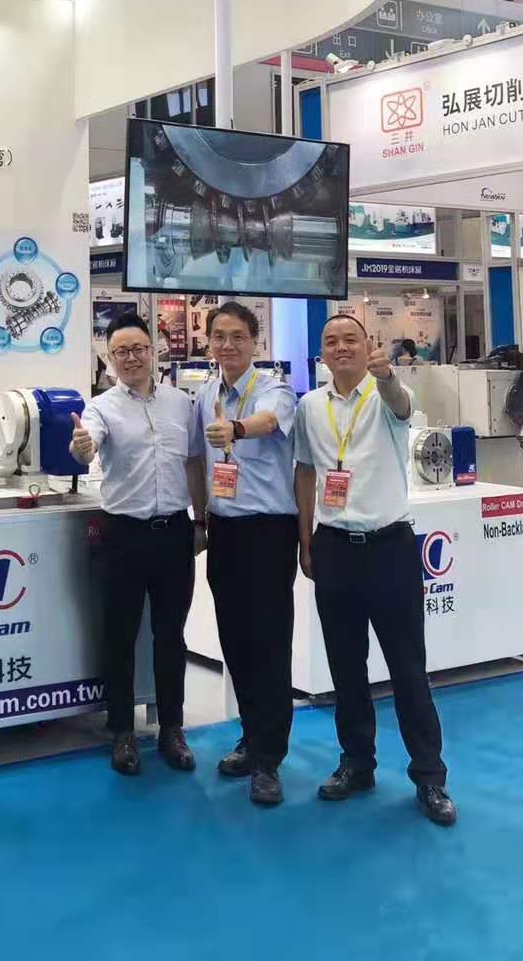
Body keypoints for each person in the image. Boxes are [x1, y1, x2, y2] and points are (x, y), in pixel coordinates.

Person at [294, 314, 457, 827]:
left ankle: (429, 776)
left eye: (351, 339)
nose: (341, 347)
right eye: (331, 341)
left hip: (390, 547)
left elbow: (401, 403)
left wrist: (387, 376)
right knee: (346, 667)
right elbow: (305, 471)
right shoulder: (310, 406)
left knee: (408, 668)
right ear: (322, 352)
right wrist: (306, 539)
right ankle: (357, 763)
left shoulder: (387, 396)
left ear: (369, 347)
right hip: (334, 548)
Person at [70, 312, 207, 776]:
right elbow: (88, 444)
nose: (131, 358)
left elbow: (194, 463)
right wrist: (82, 448)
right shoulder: (100, 408)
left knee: (171, 636)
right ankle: (122, 731)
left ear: (154, 352)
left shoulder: (181, 404)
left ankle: (172, 729)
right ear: (110, 358)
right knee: (120, 636)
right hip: (123, 535)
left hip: (174, 534)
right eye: (121, 352)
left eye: (138, 349)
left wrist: (200, 520)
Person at [192, 301, 298, 808]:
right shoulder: (205, 394)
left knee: (269, 644)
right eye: (219, 336)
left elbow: (269, 421)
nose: (227, 345)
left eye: (238, 336)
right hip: (226, 532)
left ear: (255, 342)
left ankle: (270, 759)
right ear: (209, 342)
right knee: (235, 641)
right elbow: (197, 459)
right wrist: (199, 519)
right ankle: (252, 738)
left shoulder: (275, 388)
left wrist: (235, 429)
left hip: (268, 532)